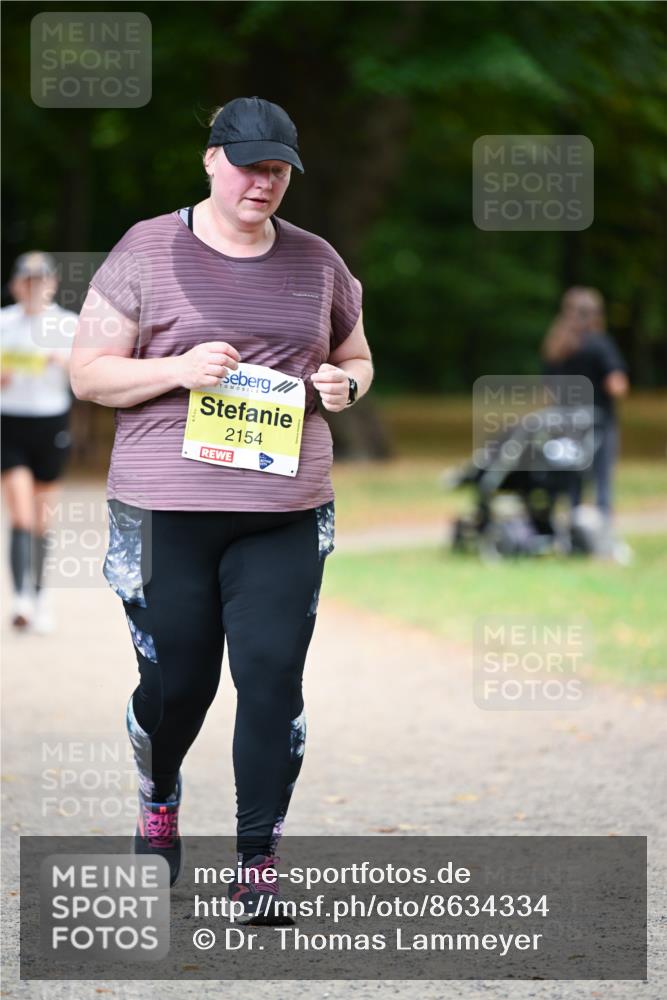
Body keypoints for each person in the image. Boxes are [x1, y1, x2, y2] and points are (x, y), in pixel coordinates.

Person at [70, 96, 373, 919]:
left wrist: (346, 386)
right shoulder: (146, 249)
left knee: (272, 678)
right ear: (211, 159)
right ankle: (157, 791)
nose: (263, 182)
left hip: (284, 507)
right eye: (249, 165)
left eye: (277, 169)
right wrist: (176, 370)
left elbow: (354, 354)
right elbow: (89, 374)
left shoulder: (316, 262)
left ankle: (257, 862)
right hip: (165, 509)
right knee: (179, 687)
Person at [1, 251, 76, 632]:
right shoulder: (3, 323)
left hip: (51, 425)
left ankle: (40, 593)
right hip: (9, 424)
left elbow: (85, 377)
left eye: (40, 279)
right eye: (27, 280)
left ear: (52, 284)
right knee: (20, 515)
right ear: (16, 284)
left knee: (42, 521)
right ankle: (21, 600)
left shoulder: (67, 324)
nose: (33, 287)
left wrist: (62, 362)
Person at [541, 286, 629, 524]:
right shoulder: (599, 344)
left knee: (572, 478)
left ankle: (572, 527)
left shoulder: (556, 346)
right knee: (601, 480)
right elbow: (616, 384)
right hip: (598, 421)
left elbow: (548, 386)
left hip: (565, 422)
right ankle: (602, 532)